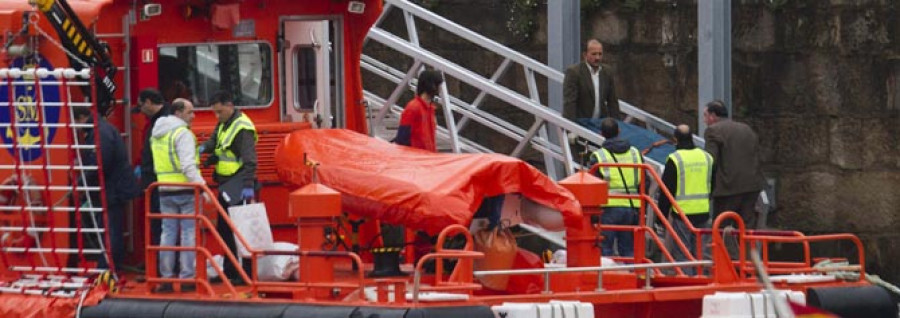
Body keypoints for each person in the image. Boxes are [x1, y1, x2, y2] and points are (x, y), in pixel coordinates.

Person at [198, 91, 258, 284]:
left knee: (241, 231)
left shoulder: (243, 128)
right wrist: (204, 152)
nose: (217, 116)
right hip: (226, 184)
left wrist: (248, 187)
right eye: (215, 112)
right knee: (225, 229)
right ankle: (231, 271)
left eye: (219, 111)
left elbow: (249, 161)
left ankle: (246, 273)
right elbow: (216, 144)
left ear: (229, 105)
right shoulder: (225, 123)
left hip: (239, 184)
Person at [150, 98, 208, 293]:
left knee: (167, 233)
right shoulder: (182, 133)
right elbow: (188, 166)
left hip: (163, 189)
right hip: (185, 189)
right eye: (190, 112)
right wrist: (203, 187)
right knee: (189, 233)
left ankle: (166, 278)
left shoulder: (157, 133)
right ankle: (187, 277)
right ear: (179, 112)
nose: (193, 116)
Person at [74, 106, 140, 271]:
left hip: (112, 190)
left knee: (110, 229)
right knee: (111, 228)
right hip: (113, 187)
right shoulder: (102, 129)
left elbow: (100, 162)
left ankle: (108, 267)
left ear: (82, 118)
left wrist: (80, 182)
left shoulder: (98, 133)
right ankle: (110, 265)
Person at [659, 124, 713, 275]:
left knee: (683, 254)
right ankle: (701, 281)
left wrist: (661, 217)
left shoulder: (675, 159)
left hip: (682, 214)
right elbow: (712, 183)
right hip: (703, 211)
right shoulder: (707, 157)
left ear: (675, 140)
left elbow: (666, 191)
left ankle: (687, 280)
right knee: (700, 254)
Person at [703, 100, 766, 229]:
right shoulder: (746, 128)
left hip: (727, 187)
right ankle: (746, 249)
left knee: (721, 225)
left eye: (705, 115)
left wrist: (707, 188)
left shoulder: (713, 131)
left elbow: (711, 161)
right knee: (746, 226)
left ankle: (724, 249)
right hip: (752, 186)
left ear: (712, 116)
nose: (704, 120)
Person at [588, 118, 643, 257]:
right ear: (619, 131)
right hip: (632, 205)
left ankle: (607, 277)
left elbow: (593, 185)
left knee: (605, 249)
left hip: (609, 207)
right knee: (629, 249)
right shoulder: (635, 153)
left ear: (601, 134)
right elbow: (644, 181)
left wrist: (593, 214)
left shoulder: (599, 156)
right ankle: (632, 275)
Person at [133, 88, 171, 248]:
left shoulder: (164, 122)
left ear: (148, 102)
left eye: (141, 107)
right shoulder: (159, 120)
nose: (141, 112)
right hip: (156, 182)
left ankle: (164, 268)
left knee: (162, 227)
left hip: (160, 183)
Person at [562, 39, 620, 123]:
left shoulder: (607, 72)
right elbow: (570, 103)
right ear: (585, 55)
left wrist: (617, 124)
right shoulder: (574, 72)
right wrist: (571, 130)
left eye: (600, 54)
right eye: (594, 54)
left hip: (600, 124)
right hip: (581, 123)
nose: (597, 58)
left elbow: (613, 102)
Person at [395, 70, 444, 152]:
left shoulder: (430, 108)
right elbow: (402, 139)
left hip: (427, 158)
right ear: (431, 86)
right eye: (438, 85)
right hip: (416, 159)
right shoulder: (413, 108)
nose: (439, 89)